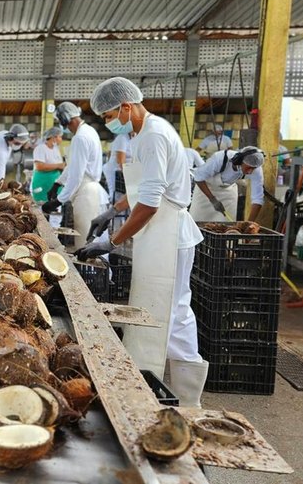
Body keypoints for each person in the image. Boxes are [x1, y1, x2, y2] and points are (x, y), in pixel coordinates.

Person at [79, 77, 207, 408]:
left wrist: (111, 241)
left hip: (169, 233)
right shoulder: (140, 135)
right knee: (156, 306)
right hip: (156, 233)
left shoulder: (154, 136)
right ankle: (151, 380)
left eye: (109, 116)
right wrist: (112, 211)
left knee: (174, 311)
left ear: (126, 106)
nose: (109, 123)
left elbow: (150, 204)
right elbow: (142, 190)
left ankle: (188, 398)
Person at [41, 102, 108, 245]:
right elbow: (73, 165)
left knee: (85, 243)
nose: (63, 127)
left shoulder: (80, 137)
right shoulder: (89, 131)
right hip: (90, 190)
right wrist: (58, 183)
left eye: (61, 122)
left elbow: (76, 176)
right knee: (91, 241)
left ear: (65, 119)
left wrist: (58, 201)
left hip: (86, 194)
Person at [189, 146, 265, 222]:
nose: (250, 172)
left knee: (226, 224)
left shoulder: (255, 168)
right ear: (239, 160)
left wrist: (249, 223)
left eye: (253, 168)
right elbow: (198, 177)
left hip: (228, 192)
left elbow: (257, 199)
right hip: (205, 189)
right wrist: (212, 199)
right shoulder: (220, 158)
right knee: (196, 221)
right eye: (248, 168)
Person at [31, 127, 66, 202]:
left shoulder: (56, 149)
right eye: (60, 137)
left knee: (54, 204)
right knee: (42, 204)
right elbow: (39, 166)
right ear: (54, 137)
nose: (61, 139)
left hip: (54, 182)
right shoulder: (40, 148)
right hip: (42, 182)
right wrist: (58, 165)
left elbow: (60, 165)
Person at [102, 131, 133, 204]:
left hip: (125, 171)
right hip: (116, 172)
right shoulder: (122, 138)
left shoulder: (133, 138)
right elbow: (121, 162)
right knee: (116, 197)